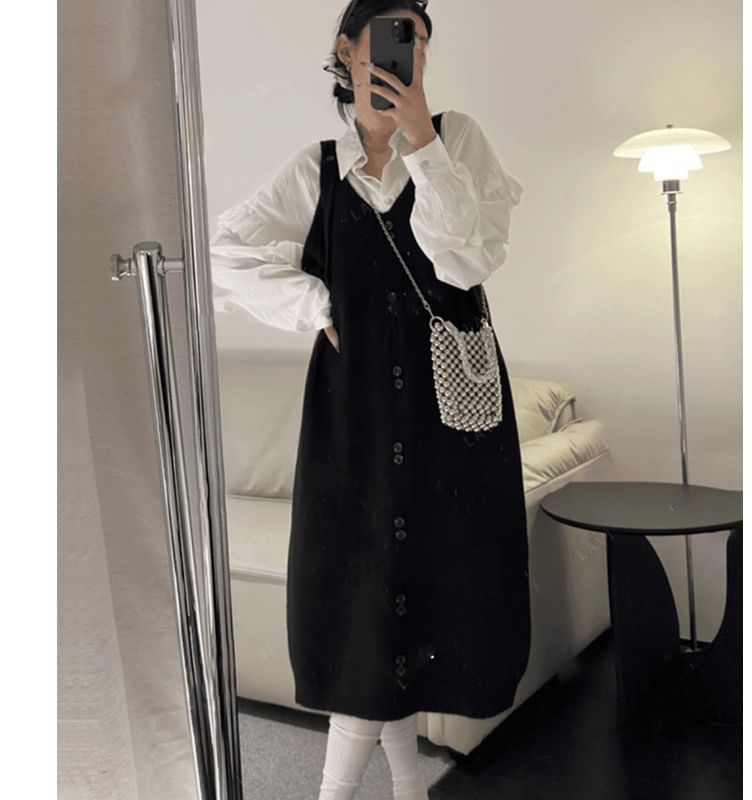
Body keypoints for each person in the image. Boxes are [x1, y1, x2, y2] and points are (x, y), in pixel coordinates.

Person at [210, 2, 531, 798]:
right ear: (346, 51)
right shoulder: (316, 170)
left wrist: (421, 140)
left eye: (415, 40)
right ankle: (405, 788)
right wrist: (313, 303)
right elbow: (223, 251)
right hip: (352, 417)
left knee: (422, 603)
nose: (403, 52)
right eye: (388, 37)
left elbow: (466, 261)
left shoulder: (457, 140)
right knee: (365, 613)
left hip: (449, 422)